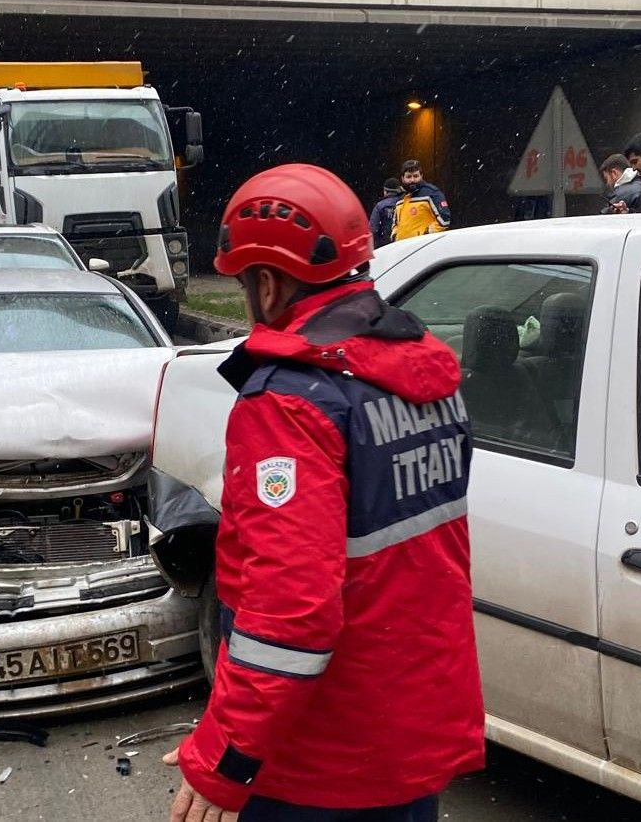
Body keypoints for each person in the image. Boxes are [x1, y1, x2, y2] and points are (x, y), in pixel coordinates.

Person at [164, 164, 484, 822]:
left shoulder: (291, 403)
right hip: (409, 735)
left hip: (321, 763)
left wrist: (224, 754)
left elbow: (290, 613)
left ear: (269, 281)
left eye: (245, 280)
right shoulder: (422, 368)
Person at [392, 159, 451, 240]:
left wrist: (425, 235)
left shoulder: (432, 193)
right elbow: (395, 223)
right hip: (402, 247)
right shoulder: (400, 197)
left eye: (415, 176)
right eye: (409, 177)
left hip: (423, 247)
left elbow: (445, 220)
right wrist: (395, 236)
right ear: (402, 178)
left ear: (421, 176)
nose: (412, 180)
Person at [368, 177, 403, 248]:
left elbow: (373, 229)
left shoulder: (380, 206)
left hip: (385, 246)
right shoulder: (405, 202)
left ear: (385, 191)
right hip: (403, 242)